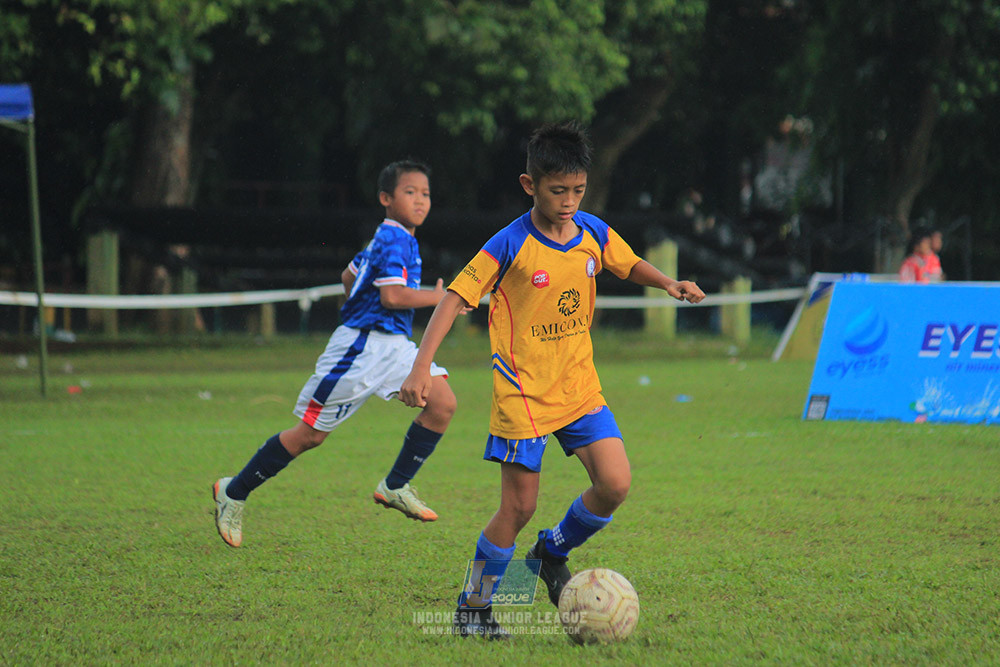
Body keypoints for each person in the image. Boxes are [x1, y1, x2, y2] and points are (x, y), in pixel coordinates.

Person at [399, 122, 706, 638]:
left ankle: (551, 552)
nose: (568, 201)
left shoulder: (592, 231)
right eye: (557, 190)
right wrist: (420, 367)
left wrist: (668, 282)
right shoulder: (510, 243)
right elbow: (453, 299)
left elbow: (627, 265)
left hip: (579, 386)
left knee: (615, 483)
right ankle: (472, 607)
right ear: (530, 185)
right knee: (517, 508)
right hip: (522, 394)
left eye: (578, 190)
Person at [213, 160, 460, 548]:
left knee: (442, 402)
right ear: (385, 199)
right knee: (309, 436)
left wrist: (362, 305)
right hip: (359, 350)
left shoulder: (391, 237)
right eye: (409, 192)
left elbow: (349, 277)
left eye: (425, 193)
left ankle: (395, 485)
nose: (420, 200)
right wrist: (441, 298)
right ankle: (234, 492)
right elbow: (392, 296)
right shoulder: (394, 239)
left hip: (393, 346)